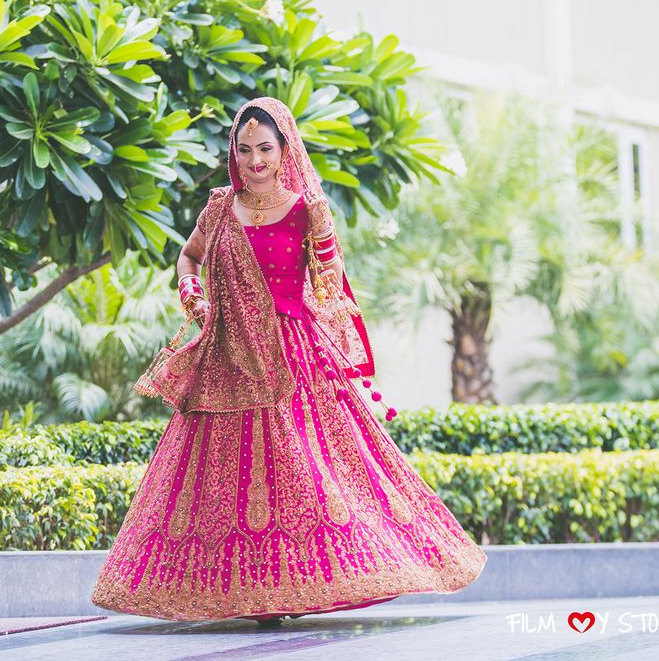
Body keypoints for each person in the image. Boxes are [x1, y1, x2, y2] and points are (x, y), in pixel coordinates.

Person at [90, 96, 487, 625]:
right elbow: (188, 256)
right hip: (228, 356)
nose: (255, 161)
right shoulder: (219, 205)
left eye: (266, 149)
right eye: (245, 149)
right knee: (218, 484)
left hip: (291, 356)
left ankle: (299, 587)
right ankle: (239, 593)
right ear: (234, 152)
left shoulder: (305, 207)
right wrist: (194, 294)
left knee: (310, 474)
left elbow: (328, 284)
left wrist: (325, 259)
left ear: (285, 150)